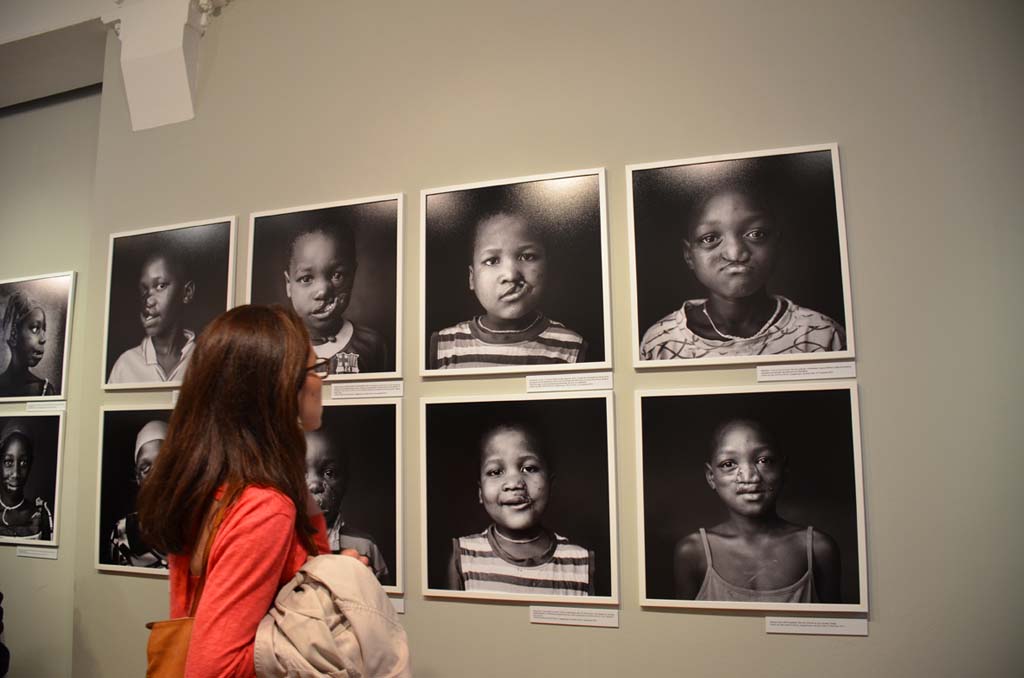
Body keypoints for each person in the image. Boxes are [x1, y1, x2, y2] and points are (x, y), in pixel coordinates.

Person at [136, 305, 373, 676]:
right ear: (276, 389)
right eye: (313, 369)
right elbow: (214, 669)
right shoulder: (263, 505)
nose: (319, 381)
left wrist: (332, 572)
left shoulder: (210, 485)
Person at [640, 184, 846, 360]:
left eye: (755, 234)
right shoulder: (661, 341)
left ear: (777, 244)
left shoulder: (822, 334)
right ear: (688, 255)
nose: (735, 253)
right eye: (710, 238)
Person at [673, 418, 841, 603]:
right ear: (711, 476)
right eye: (729, 464)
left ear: (783, 469)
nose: (749, 476)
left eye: (763, 460)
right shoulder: (693, 552)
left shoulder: (818, 549)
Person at [447, 421, 595, 595]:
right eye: (495, 472)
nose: (514, 483)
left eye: (529, 468)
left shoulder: (581, 564)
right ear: (480, 492)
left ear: (551, 486)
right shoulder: (463, 557)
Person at [429, 210, 586, 369]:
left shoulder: (570, 349)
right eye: (492, 261)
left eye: (527, 257)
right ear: (472, 278)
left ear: (548, 269)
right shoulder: (443, 347)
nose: (511, 275)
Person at [284, 225, 388, 375]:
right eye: (306, 278)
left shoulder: (371, 345)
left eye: (337, 275)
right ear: (289, 284)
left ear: (352, 275)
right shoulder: (276, 349)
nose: (323, 291)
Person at [305, 429, 389, 580]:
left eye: (329, 473)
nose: (314, 485)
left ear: (346, 481)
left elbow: (383, 599)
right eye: (300, 472)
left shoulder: (364, 546)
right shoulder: (278, 543)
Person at [108, 249, 196, 384]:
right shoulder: (125, 365)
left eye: (161, 286)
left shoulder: (207, 360)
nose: (148, 301)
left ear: (187, 292)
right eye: (144, 289)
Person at [108, 419, 169, 568]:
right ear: (138, 478)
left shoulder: (202, 530)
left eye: (163, 464)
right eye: (146, 468)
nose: (156, 474)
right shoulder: (124, 532)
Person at [0, 419, 53, 540]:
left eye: (23, 463)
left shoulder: (39, 515)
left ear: (31, 464)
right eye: (8, 462)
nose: (16, 474)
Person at [0, 291, 55, 397]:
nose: (43, 339)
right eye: (35, 329)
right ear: (14, 333)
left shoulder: (43, 389)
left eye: (44, 329)